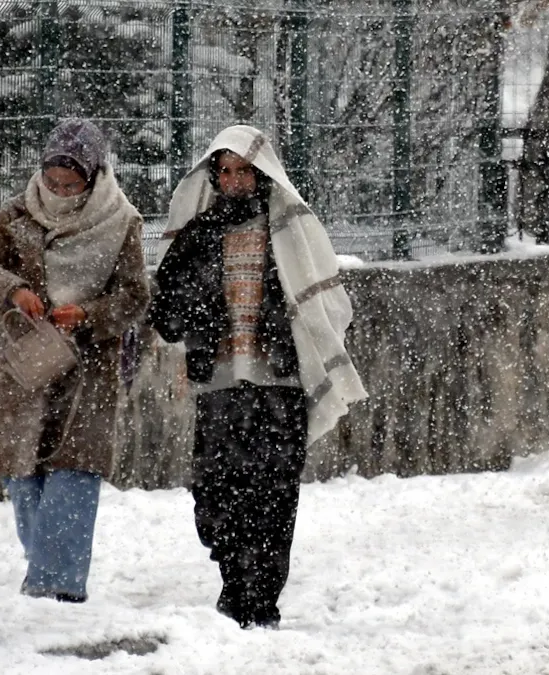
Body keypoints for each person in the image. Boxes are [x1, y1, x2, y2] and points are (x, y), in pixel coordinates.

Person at [149, 125, 367, 628]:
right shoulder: (198, 235)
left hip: (279, 385)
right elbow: (165, 313)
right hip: (219, 386)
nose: (234, 180)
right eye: (223, 171)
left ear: (261, 172)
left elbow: (326, 302)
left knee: (272, 493)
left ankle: (261, 598)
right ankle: (233, 584)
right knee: (216, 494)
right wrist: (194, 311)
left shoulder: (288, 232)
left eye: (243, 169)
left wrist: (291, 336)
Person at [0, 118, 150, 603]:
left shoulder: (121, 221)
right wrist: (15, 291)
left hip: (90, 370)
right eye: (52, 181)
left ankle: (57, 586)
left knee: (75, 466)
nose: (60, 191)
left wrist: (88, 313)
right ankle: (44, 564)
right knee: (21, 467)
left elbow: (134, 295)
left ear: (94, 178)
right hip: (27, 361)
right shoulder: (17, 214)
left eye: (71, 184)